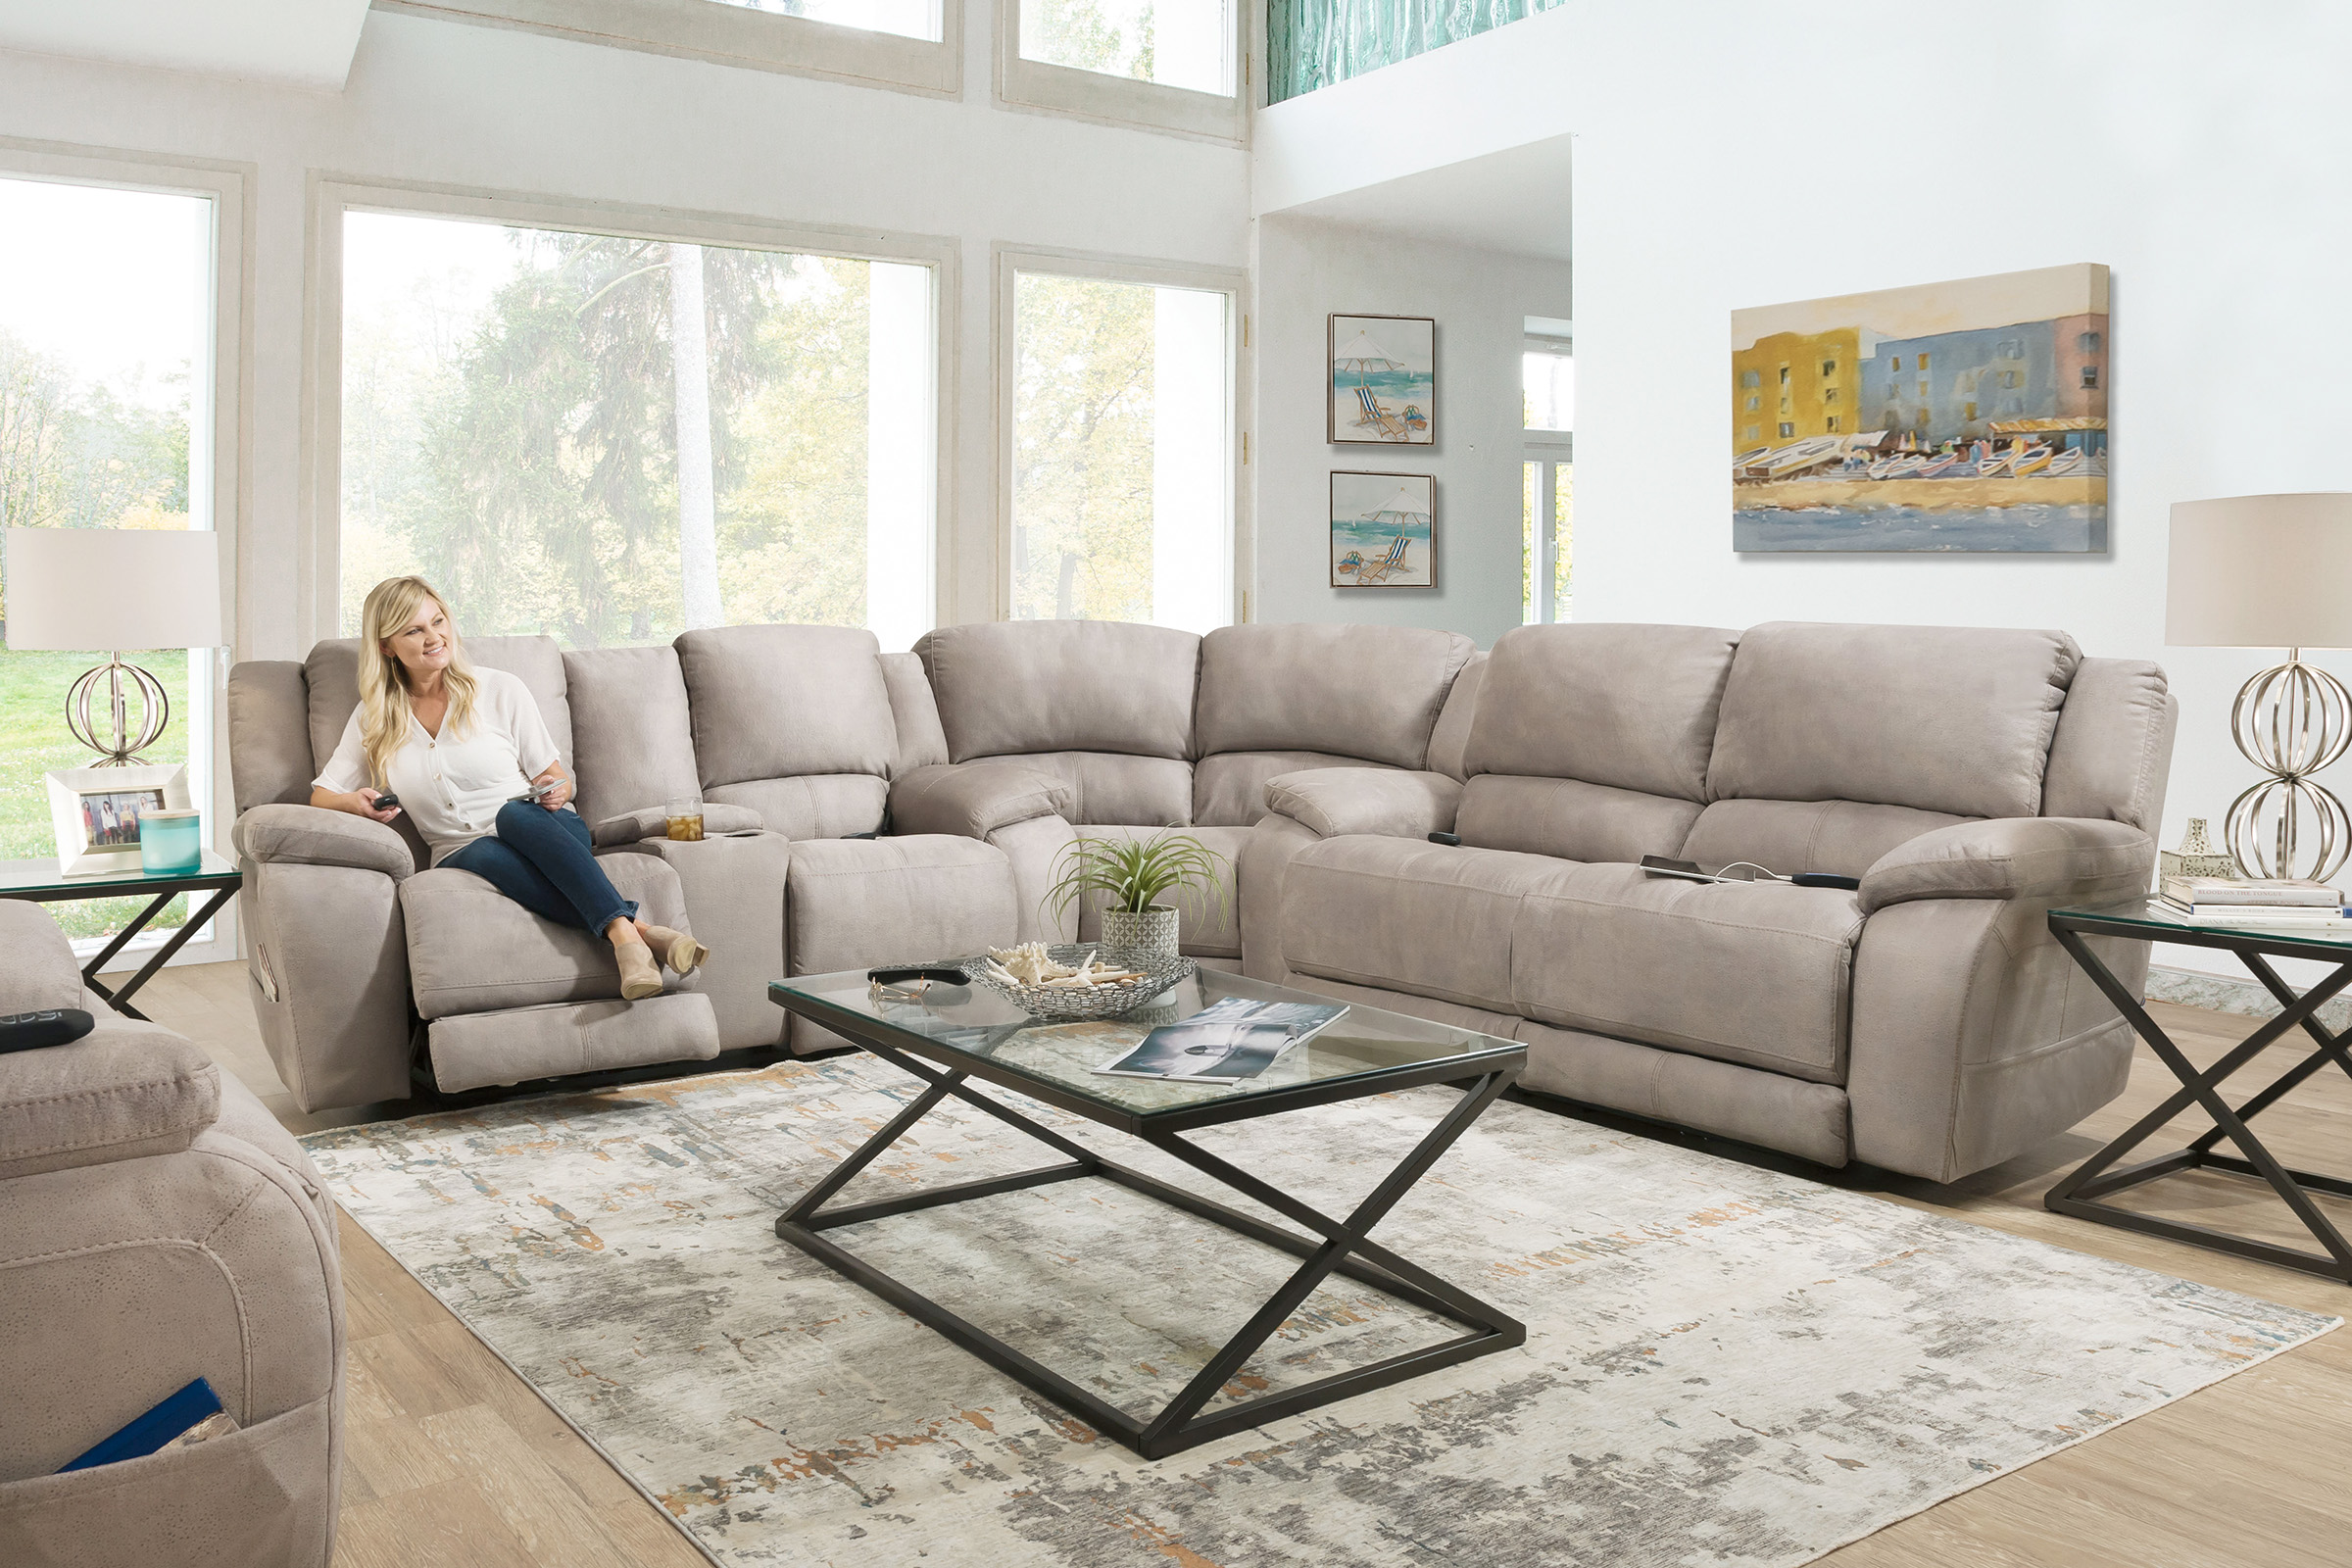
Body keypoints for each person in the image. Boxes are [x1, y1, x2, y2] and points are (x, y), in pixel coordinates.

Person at [310, 575, 708, 1001]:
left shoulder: (498, 688)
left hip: (545, 829)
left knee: (512, 814)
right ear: (387, 646)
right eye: (414, 630)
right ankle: (640, 933)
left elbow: (556, 777)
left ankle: (628, 937)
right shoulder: (374, 716)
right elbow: (321, 794)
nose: (433, 637)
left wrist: (556, 788)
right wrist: (354, 802)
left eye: (438, 621)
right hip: (463, 850)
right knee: (480, 848)